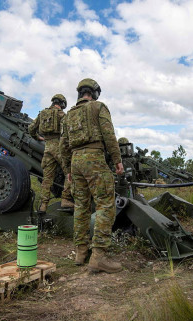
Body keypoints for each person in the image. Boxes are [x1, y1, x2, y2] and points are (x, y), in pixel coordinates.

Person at [60, 78, 124, 273]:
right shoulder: (98, 107)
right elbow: (109, 135)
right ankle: (98, 256)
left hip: (76, 161)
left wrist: (68, 170)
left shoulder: (68, 115)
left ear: (79, 93)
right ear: (95, 93)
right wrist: (117, 159)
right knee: (105, 203)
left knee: (80, 205)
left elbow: (63, 145)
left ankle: (80, 252)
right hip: (94, 158)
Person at [28, 94, 74, 213]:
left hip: (47, 148)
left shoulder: (42, 114)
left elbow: (31, 129)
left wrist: (37, 137)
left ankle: (43, 205)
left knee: (47, 178)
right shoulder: (62, 115)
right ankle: (66, 199)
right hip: (59, 147)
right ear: (62, 104)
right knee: (70, 172)